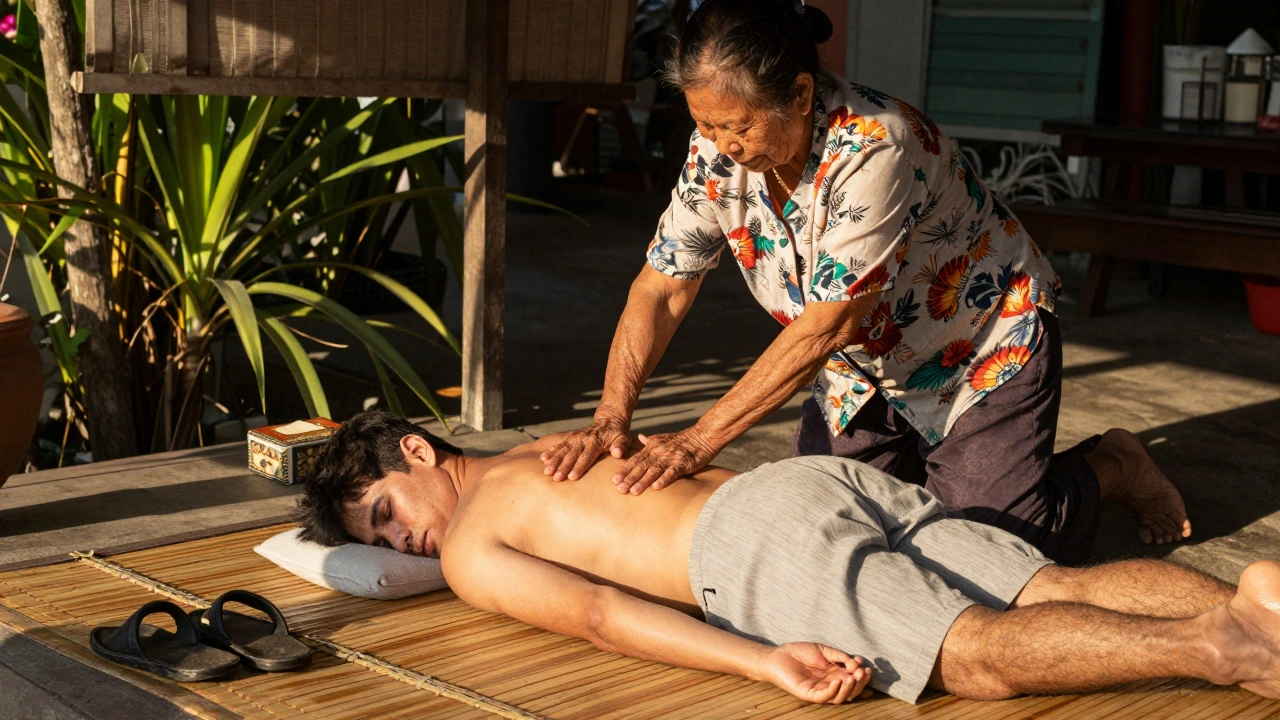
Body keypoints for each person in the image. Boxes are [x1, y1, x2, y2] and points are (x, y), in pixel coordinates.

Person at [537, 0, 1191, 565]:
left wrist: (696, 440)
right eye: (704, 124)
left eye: (736, 126)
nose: (721, 145)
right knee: (826, 529)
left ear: (799, 94)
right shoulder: (713, 152)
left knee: (993, 549)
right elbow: (661, 288)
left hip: (977, 345)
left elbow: (827, 325)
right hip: (861, 368)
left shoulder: (877, 144)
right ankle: (932, 468)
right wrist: (610, 417)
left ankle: (1114, 466)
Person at [298, 412, 1280, 706]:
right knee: (1049, 580)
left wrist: (758, 658)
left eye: (384, 512)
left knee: (970, 654)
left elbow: (596, 620)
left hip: (747, 542)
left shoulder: (473, 544)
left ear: (415, 452)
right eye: (380, 544)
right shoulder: (551, 444)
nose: (400, 543)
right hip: (794, 484)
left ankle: (1227, 646)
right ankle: (1250, 603)